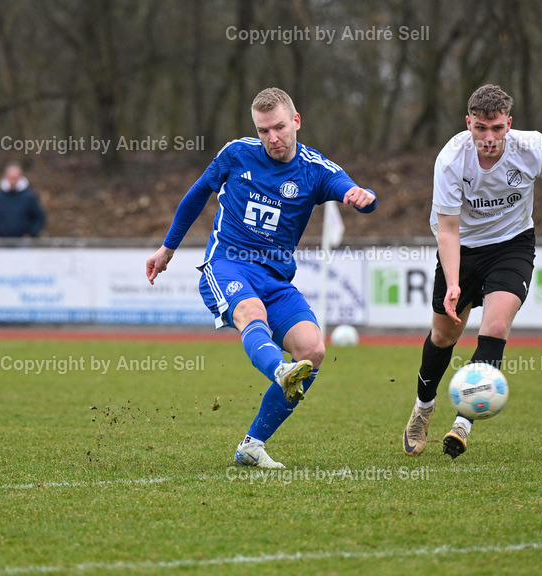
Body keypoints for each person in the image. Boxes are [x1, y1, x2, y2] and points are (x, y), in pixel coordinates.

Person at [146, 87, 377, 469]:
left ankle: (252, 445)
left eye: (280, 127)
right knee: (250, 312)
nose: (272, 137)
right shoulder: (236, 154)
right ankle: (278, 369)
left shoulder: (314, 169)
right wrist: (166, 249)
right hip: (227, 264)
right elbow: (196, 195)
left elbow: (349, 188)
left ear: (296, 121)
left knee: (313, 350)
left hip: (276, 279)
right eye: (264, 130)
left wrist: (360, 195)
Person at [401, 84, 542, 460]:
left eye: (496, 128)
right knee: (444, 336)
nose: (489, 138)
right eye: (480, 128)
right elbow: (447, 229)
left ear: (509, 123)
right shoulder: (450, 159)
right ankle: (423, 408)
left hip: (512, 244)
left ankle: (463, 422)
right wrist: (455, 283)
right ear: (468, 124)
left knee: (494, 328)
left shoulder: (534, 148)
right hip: (461, 247)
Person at [0, 163, 46, 238]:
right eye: (11, 178)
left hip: (24, 242)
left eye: (15, 178)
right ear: (5, 177)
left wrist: (31, 234)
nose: (13, 181)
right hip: (2, 241)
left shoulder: (30, 197)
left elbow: (39, 217)